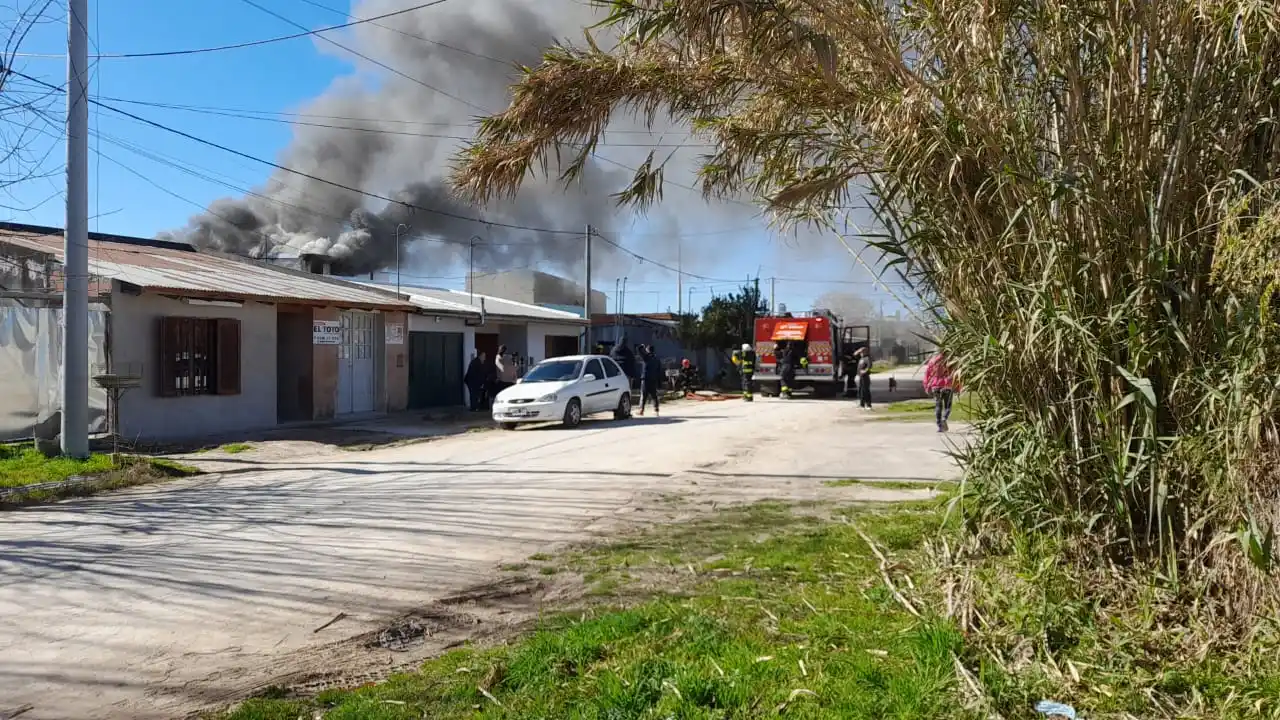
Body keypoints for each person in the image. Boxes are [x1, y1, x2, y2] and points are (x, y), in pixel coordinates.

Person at [923, 352, 961, 432]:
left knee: (938, 406)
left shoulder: (933, 361)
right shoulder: (951, 361)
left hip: (935, 386)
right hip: (947, 386)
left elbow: (927, 374)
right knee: (948, 406)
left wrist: (926, 386)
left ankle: (940, 426)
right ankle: (944, 418)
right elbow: (956, 374)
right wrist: (958, 387)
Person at [638, 345, 662, 416]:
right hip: (653, 379)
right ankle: (656, 410)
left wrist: (642, 346)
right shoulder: (657, 359)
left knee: (644, 395)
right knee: (654, 395)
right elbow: (659, 371)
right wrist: (659, 381)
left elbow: (639, 350)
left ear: (648, 350)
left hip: (645, 378)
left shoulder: (646, 357)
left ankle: (641, 410)